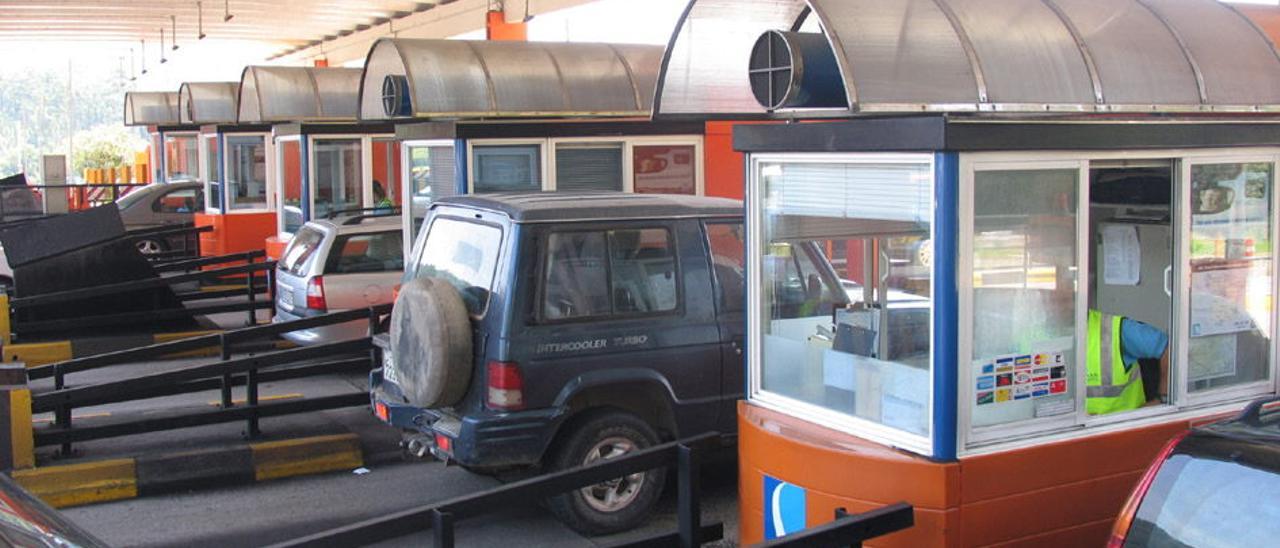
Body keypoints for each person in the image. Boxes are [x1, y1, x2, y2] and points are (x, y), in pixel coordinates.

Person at [1087, 309, 1169, 415]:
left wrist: (1163, 398)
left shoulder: (1112, 328)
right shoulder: (1058, 334)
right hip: (1073, 429)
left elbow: (1170, 348)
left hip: (1125, 426)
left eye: (1067, 299)